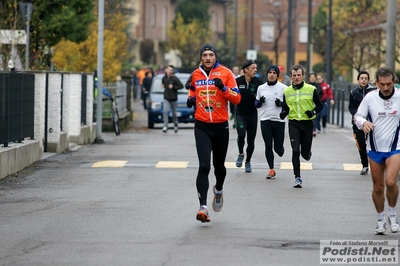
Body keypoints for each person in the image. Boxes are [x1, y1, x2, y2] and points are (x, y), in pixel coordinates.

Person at [187, 43, 241, 223]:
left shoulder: (226, 74)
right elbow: (193, 88)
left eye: (211, 55)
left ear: (215, 57)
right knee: (204, 166)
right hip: (201, 126)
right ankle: (203, 207)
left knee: (219, 167)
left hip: (220, 127)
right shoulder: (196, 74)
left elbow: (237, 98)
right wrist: (191, 98)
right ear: (201, 58)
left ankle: (218, 189)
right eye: (204, 55)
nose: (208, 58)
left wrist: (223, 89)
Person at [353, 66, 400, 235]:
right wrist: (363, 123)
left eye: (389, 84)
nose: (386, 88)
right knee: (379, 187)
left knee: (390, 182)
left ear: (394, 82)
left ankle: (393, 215)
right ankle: (381, 220)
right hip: (374, 147)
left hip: (396, 147)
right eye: (382, 84)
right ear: (377, 83)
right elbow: (358, 116)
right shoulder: (370, 98)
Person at [279, 65, 323, 188]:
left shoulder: (311, 89)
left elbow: (320, 105)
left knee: (304, 154)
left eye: (299, 75)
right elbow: (285, 107)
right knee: (295, 151)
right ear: (291, 76)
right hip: (294, 123)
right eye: (294, 75)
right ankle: (297, 177)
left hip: (307, 124)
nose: (297, 77)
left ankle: (307, 152)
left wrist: (313, 112)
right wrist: (283, 113)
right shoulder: (287, 91)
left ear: (303, 76)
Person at [255, 65, 287, 179]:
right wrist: (260, 102)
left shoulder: (284, 88)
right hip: (265, 120)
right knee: (268, 144)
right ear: (267, 74)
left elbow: (289, 105)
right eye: (270, 72)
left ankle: (280, 149)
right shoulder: (261, 88)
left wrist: (281, 104)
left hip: (279, 120)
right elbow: (256, 103)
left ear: (277, 75)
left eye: (274, 73)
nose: (272, 75)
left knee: (277, 149)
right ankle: (271, 169)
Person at [235, 60, 264, 173]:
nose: (255, 70)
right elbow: (231, 93)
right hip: (241, 114)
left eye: (256, 68)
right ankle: (241, 153)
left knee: (251, 141)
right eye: (253, 68)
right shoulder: (237, 81)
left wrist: (258, 99)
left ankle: (248, 161)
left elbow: (263, 97)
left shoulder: (258, 82)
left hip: (252, 115)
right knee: (241, 134)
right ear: (245, 70)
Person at [348, 71, 376, 175]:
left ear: (368, 80)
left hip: (371, 122)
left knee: (372, 145)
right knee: (361, 145)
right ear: (358, 80)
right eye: (361, 78)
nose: (363, 80)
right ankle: (364, 165)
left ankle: (375, 165)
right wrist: (358, 115)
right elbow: (351, 107)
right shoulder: (353, 92)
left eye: (365, 78)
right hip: (357, 123)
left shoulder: (373, 91)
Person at [161, 65, 183, 133]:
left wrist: (173, 87)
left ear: (173, 71)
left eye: (171, 70)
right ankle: (165, 126)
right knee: (165, 111)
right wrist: (163, 85)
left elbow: (181, 86)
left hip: (173, 98)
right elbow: (163, 83)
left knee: (174, 113)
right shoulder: (164, 77)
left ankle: (175, 125)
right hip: (166, 97)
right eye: (168, 69)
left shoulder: (175, 78)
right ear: (166, 70)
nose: (169, 71)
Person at [308, 73, 323, 137]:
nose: (312, 78)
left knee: (316, 118)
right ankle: (310, 130)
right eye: (311, 77)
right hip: (308, 104)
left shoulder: (318, 86)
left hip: (315, 104)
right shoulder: (306, 85)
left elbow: (321, 94)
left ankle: (314, 130)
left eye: (313, 77)